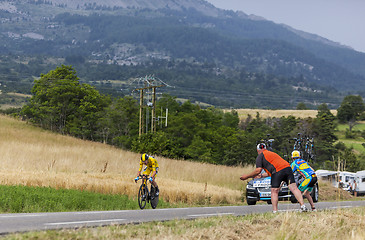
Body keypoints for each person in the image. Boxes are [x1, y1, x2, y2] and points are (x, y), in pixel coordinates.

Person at [240, 143, 308, 213]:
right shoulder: (272, 154)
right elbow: (272, 170)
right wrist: (261, 175)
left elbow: (258, 170)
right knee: (294, 188)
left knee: (274, 191)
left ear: (258, 150)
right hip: (287, 168)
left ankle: (275, 210)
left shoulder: (260, 156)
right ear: (265, 148)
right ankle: (303, 206)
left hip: (278, 171)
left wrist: (246, 176)